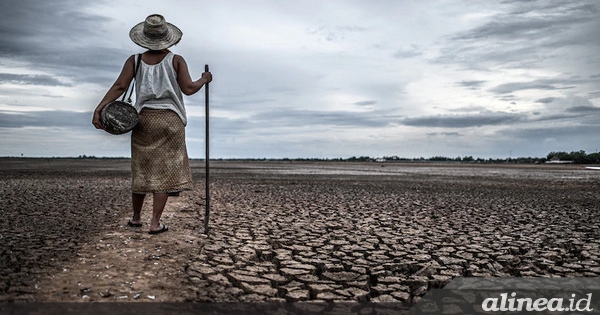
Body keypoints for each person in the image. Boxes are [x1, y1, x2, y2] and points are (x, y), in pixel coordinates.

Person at [92, 14, 212, 234]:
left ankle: (136, 218)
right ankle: (155, 223)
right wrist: (204, 80)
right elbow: (188, 88)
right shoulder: (176, 60)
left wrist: (100, 108)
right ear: (168, 38)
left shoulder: (135, 60)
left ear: (144, 38)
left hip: (143, 119)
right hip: (170, 121)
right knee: (165, 173)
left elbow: (120, 86)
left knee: (141, 169)